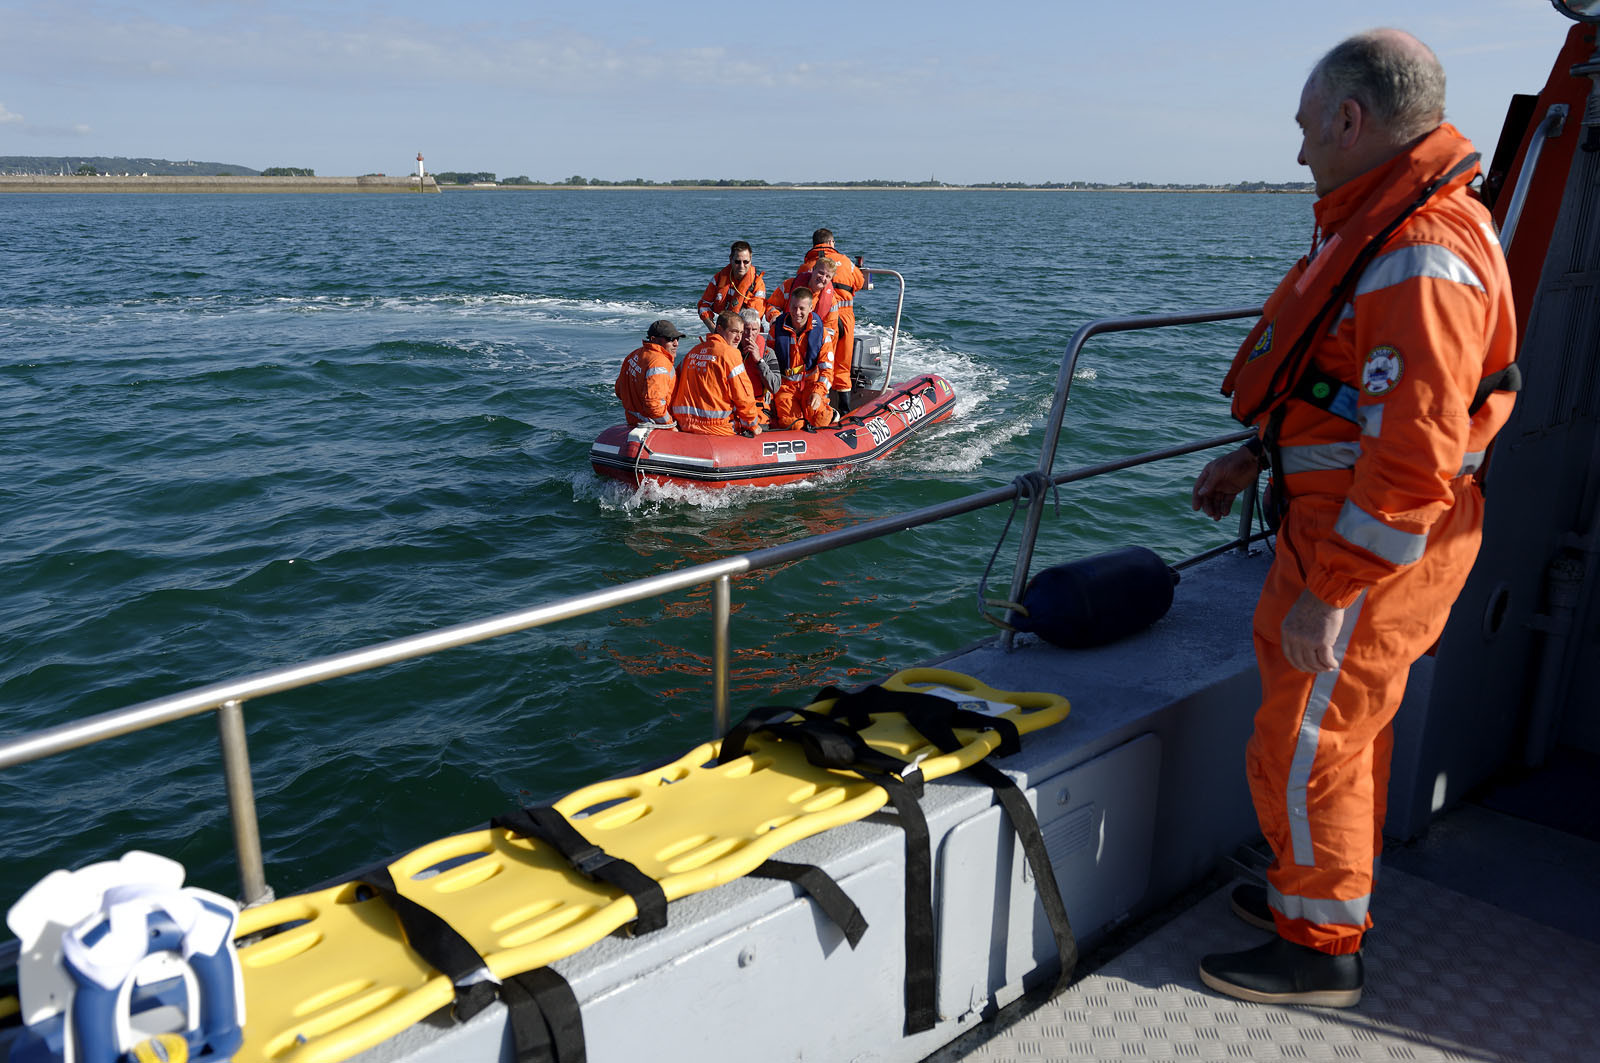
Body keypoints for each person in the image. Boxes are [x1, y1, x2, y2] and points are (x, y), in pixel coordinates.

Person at [1189, 29, 1517, 1007]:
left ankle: (1320, 949)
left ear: (1348, 119)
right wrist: (1257, 455)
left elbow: (1413, 459)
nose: (1298, 153)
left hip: (1363, 556)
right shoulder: (1387, 232)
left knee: (1310, 741)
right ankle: (1317, 894)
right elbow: (1341, 387)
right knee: (1337, 735)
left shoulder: (1417, 252)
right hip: (1338, 538)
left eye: (1305, 129)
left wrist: (1332, 590)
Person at [670, 312, 762, 437]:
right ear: (719, 329)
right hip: (716, 427)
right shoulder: (730, 354)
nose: (738, 338)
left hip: (684, 424)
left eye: (741, 332)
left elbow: (673, 383)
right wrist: (753, 425)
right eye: (734, 331)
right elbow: (743, 395)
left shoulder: (693, 352)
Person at [801, 228, 868, 396]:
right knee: (842, 366)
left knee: (820, 361)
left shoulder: (807, 266)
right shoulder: (846, 262)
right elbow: (860, 283)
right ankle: (844, 405)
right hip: (845, 319)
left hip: (820, 319)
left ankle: (818, 398)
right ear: (831, 243)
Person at [769, 286, 837, 430]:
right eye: (794, 307)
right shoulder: (776, 330)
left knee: (820, 419)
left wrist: (818, 393)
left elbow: (827, 370)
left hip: (811, 385)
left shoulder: (821, 334)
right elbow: (768, 364)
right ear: (789, 306)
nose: (797, 312)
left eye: (802, 308)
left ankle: (829, 412)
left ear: (811, 308)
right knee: (793, 425)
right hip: (786, 386)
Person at [614, 319, 687, 429]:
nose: (676, 343)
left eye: (677, 339)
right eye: (670, 339)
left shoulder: (635, 354)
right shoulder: (660, 363)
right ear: (653, 339)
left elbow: (619, 390)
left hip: (633, 423)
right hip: (655, 427)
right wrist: (670, 427)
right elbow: (654, 405)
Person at [697, 241, 766, 334]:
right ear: (730, 259)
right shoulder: (718, 279)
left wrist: (736, 334)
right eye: (737, 262)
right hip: (724, 331)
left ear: (751, 260)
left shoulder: (757, 284)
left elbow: (754, 317)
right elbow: (703, 306)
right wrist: (714, 330)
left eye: (746, 262)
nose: (741, 266)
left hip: (748, 333)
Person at [738, 307, 781, 420]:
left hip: (757, 403)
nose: (750, 334)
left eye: (754, 330)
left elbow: (775, 386)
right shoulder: (730, 350)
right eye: (746, 329)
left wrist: (759, 361)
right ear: (740, 330)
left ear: (758, 330)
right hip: (734, 403)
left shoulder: (768, 353)